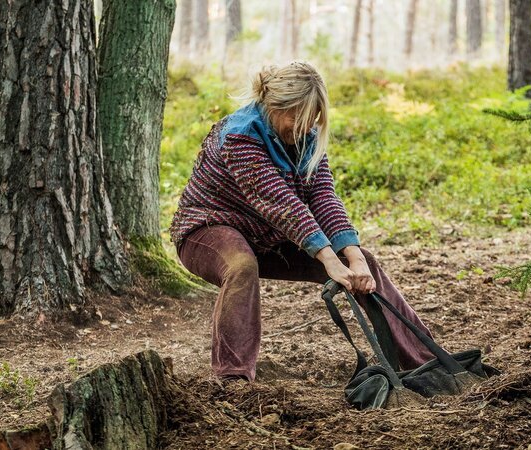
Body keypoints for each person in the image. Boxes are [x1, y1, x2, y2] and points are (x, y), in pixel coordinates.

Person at [169, 61, 435, 382]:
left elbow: (323, 196)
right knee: (241, 266)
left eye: (311, 117)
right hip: (208, 230)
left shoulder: (306, 137)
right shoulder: (239, 136)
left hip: (270, 237)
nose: (304, 125)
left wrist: (352, 257)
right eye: (296, 114)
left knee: (366, 264)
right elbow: (281, 204)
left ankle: (427, 360)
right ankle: (233, 378)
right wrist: (326, 259)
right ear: (273, 105)